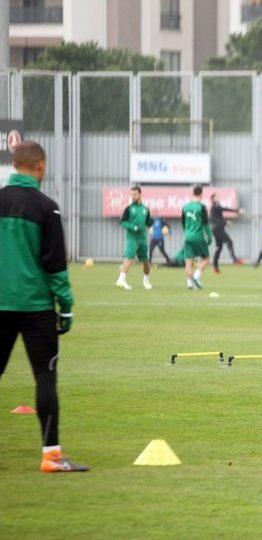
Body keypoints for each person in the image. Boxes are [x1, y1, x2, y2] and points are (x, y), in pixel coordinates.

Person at [0, 141, 88, 472]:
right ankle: (51, 456)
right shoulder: (46, 207)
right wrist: (65, 308)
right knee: (45, 378)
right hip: (36, 308)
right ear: (39, 166)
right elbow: (54, 266)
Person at [116, 186, 153, 291]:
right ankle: (121, 279)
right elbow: (122, 222)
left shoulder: (145, 209)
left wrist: (151, 221)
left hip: (142, 239)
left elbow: (148, 223)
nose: (132, 196)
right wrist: (133, 227)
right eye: (131, 194)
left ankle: (146, 281)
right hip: (132, 238)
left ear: (140, 194)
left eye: (134, 194)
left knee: (146, 262)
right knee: (130, 258)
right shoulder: (129, 209)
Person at [182, 185, 212, 289]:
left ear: (193, 193)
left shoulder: (185, 207)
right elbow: (205, 224)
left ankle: (189, 284)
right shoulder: (202, 207)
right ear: (201, 194)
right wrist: (210, 237)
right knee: (206, 258)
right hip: (198, 236)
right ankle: (196, 276)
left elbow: (183, 224)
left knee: (188, 261)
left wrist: (186, 234)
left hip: (187, 237)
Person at [209, 192, 244, 274]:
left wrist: (225, 222)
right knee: (229, 241)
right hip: (217, 229)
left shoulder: (216, 206)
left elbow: (217, 218)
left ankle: (215, 268)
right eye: (217, 196)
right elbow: (225, 210)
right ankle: (234, 259)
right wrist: (238, 211)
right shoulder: (215, 206)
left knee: (218, 248)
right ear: (213, 199)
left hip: (217, 229)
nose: (219, 197)